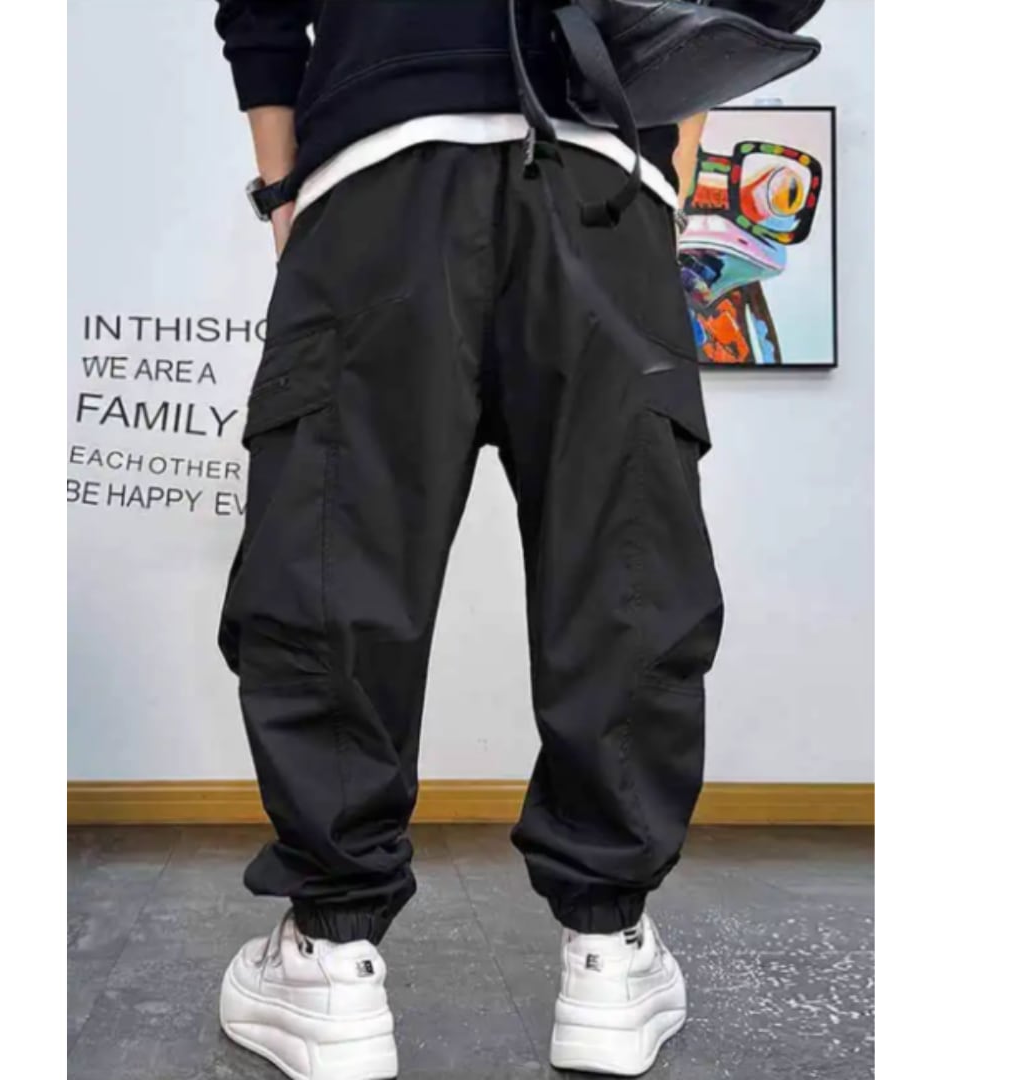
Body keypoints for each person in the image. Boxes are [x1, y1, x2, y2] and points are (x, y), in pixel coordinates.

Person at [213, 2, 724, 1077]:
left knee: (338, 551)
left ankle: (330, 961)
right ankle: (609, 952)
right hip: (602, 174)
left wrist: (285, 191)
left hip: (382, 171)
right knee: (623, 559)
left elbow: (261, 10)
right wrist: (663, 169)